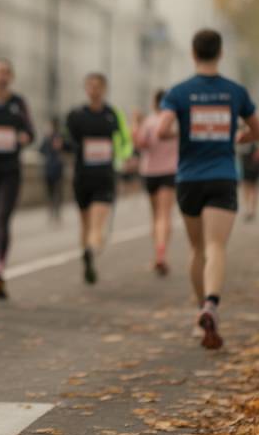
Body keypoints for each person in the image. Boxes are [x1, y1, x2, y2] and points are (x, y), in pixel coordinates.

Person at [157, 29, 259, 350]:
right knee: (216, 245)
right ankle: (212, 305)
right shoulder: (235, 92)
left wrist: (187, 132)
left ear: (193, 53)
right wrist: (234, 137)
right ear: (220, 54)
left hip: (189, 178)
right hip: (222, 176)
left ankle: (199, 307)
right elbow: (258, 130)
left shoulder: (178, 92)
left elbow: (162, 130)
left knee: (197, 249)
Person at [0, 59, 34, 299]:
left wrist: (23, 137)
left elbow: (31, 132)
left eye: (5, 73)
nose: (1, 77)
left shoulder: (18, 103)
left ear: (11, 76)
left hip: (11, 169)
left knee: (3, 217)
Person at [65, 73, 128, 285]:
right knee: (85, 223)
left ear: (104, 89)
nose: (94, 89)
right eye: (90, 86)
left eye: (98, 86)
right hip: (82, 177)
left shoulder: (113, 114)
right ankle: (88, 257)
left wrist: (123, 158)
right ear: (85, 89)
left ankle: (90, 248)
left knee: (96, 223)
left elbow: (125, 141)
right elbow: (67, 142)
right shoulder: (76, 115)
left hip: (104, 176)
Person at [132, 89, 179, 276]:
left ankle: (157, 255)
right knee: (165, 215)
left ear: (154, 103)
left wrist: (135, 123)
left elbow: (139, 144)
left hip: (149, 172)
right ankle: (162, 254)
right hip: (169, 172)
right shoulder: (175, 122)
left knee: (155, 216)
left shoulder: (149, 121)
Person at [39, 117, 65, 224]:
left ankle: (57, 212)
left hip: (57, 168)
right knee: (50, 192)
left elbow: (65, 148)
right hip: (48, 168)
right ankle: (51, 212)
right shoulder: (46, 139)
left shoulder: (58, 137)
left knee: (57, 191)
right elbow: (40, 150)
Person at [238, 141, 259, 221]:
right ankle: (250, 209)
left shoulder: (244, 142)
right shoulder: (253, 143)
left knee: (250, 189)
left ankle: (250, 210)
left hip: (251, 168)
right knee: (250, 189)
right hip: (249, 168)